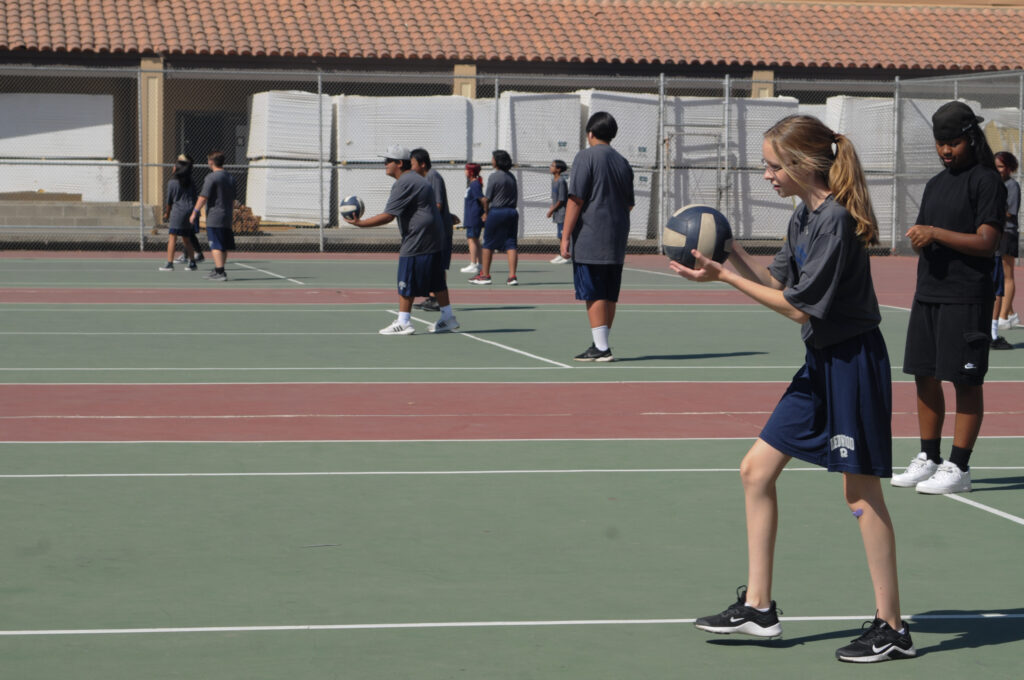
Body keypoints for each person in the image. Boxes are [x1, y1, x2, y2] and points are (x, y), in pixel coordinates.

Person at [672, 115, 915, 663]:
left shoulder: (837, 222)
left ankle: (892, 627)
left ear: (804, 165)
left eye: (773, 165)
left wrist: (725, 280)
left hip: (853, 365)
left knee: (860, 494)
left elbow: (797, 308)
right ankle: (759, 608)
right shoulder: (804, 218)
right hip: (819, 364)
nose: (766, 175)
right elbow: (778, 283)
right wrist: (728, 252)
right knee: (755, 470)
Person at [893, 101, 1006, 495]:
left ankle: (959, 467)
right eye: (941, 143)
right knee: (923, 375)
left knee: (965, 380)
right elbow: (932, 233)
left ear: (971, 140)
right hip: (929, 293)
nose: (946, 151)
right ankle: (929, 457)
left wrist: (935, 233)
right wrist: (923, 239)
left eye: (954, 143)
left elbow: (987, 241)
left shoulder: (986, 180)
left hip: (967, 297)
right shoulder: (935, 184)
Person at [343, 145, 459, 335]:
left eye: (388, 161)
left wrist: (360, 223)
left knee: (406, 279)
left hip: (419, 238)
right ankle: (448, 317)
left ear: (399, 163)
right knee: (437, 280)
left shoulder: (404, 182)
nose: (385, 165)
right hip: (434, 237)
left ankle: (404, 321)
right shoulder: (415, 179)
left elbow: (389, 215)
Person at [560, 112, 634, 362]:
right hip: (617, 234)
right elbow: (630, 204)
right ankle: (601, 343)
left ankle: (602, 348)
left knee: (592, 290)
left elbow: (575, 199)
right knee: (609, 292)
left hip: (592, 234)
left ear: (590, 133)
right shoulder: (623, 162)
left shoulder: (585, 157)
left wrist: (565, 236)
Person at [411, 148, 456, 312]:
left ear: (422, 164)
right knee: (432, 265)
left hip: (439, 232)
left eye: (413, 163)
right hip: (434, 229)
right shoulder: (425, 178)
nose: (410, 167)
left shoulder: (432, 176)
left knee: (438, 265)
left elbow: (437, 204)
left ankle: (437, 299)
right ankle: (432, 297)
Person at [469, 149, 519, 286]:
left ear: (497, 161)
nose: (491, 160)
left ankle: (485, 275)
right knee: (511, 243)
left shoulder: (494, 176)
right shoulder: (511, 177)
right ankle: (512, 276)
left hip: (497, 212)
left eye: (493, 158)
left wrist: (485, 212)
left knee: (488, 243)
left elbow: (487, 199)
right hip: (512, 212)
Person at [190, 151, 236, 282]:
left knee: (215, 245)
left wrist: (194, 212)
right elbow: (233, 198)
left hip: (215, 216)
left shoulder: (211, 177)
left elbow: (203, 196)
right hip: (227, 216)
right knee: (223, 245)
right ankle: (218, 269)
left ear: (211, 162)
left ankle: (220, 272)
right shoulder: (231, 177)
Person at [159, 154, 198, 272]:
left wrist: (167, 214)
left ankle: (170, 263)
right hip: (189, 211)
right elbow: (194, 196)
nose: (173, 167)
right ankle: (192, 263)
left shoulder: (172, 182)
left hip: (178, 212)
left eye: (175, 166)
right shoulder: (191, 182)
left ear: (178, 169)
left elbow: (169, 201)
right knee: (186, 238)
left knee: (172, 237)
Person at [995, 151, 1020, 331]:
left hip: (1007, 234)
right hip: (996, 233)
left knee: (1007, 274)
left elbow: (1010, 212)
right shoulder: (995, 184)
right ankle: (1010, 313)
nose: (998, 170)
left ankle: (1003, 316)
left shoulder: (1012, 186)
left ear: (1010, 168)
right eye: (995, 166)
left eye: (1001, 167)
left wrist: (988, 211)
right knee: (999, 275)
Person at [459, 162, 485, 274]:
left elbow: (482, 199)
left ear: (470, 172)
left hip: (473, 217)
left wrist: (484, 213)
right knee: (474, 240)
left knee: (472, 240)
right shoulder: (473, 184)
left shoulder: (474, 185)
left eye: (466, 169)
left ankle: (473, 263)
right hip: (471, 216)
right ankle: (479, 264)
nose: (464, 172)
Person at [547, 159, 570, 264]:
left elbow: (561, 200)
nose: (550, 167)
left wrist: (551, 210)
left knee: (563, 234)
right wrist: (552, 208)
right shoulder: (553, 180)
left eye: (552, 166)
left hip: (562, 213)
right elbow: (554, 198)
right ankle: (562, 254)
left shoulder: (561, 181)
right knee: (560, 235)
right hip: (557, 213)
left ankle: (566, 256)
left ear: (558, 169)